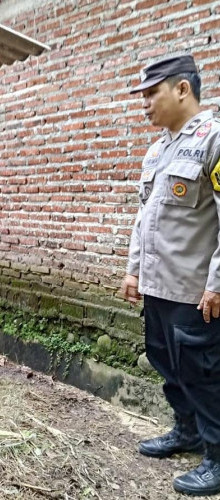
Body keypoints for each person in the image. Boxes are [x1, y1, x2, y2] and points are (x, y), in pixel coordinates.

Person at [121, 54, 220, 496]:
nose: (143, 104)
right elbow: (145, 217)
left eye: (150, 93)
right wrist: (133, 271)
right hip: (158, 288)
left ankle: (217, 457)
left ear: (182, 88)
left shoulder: (213, 140)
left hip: (194, 290)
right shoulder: (159, 149)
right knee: (167, 364)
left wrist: (218, 283)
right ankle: (187, 432)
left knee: (202, 373)